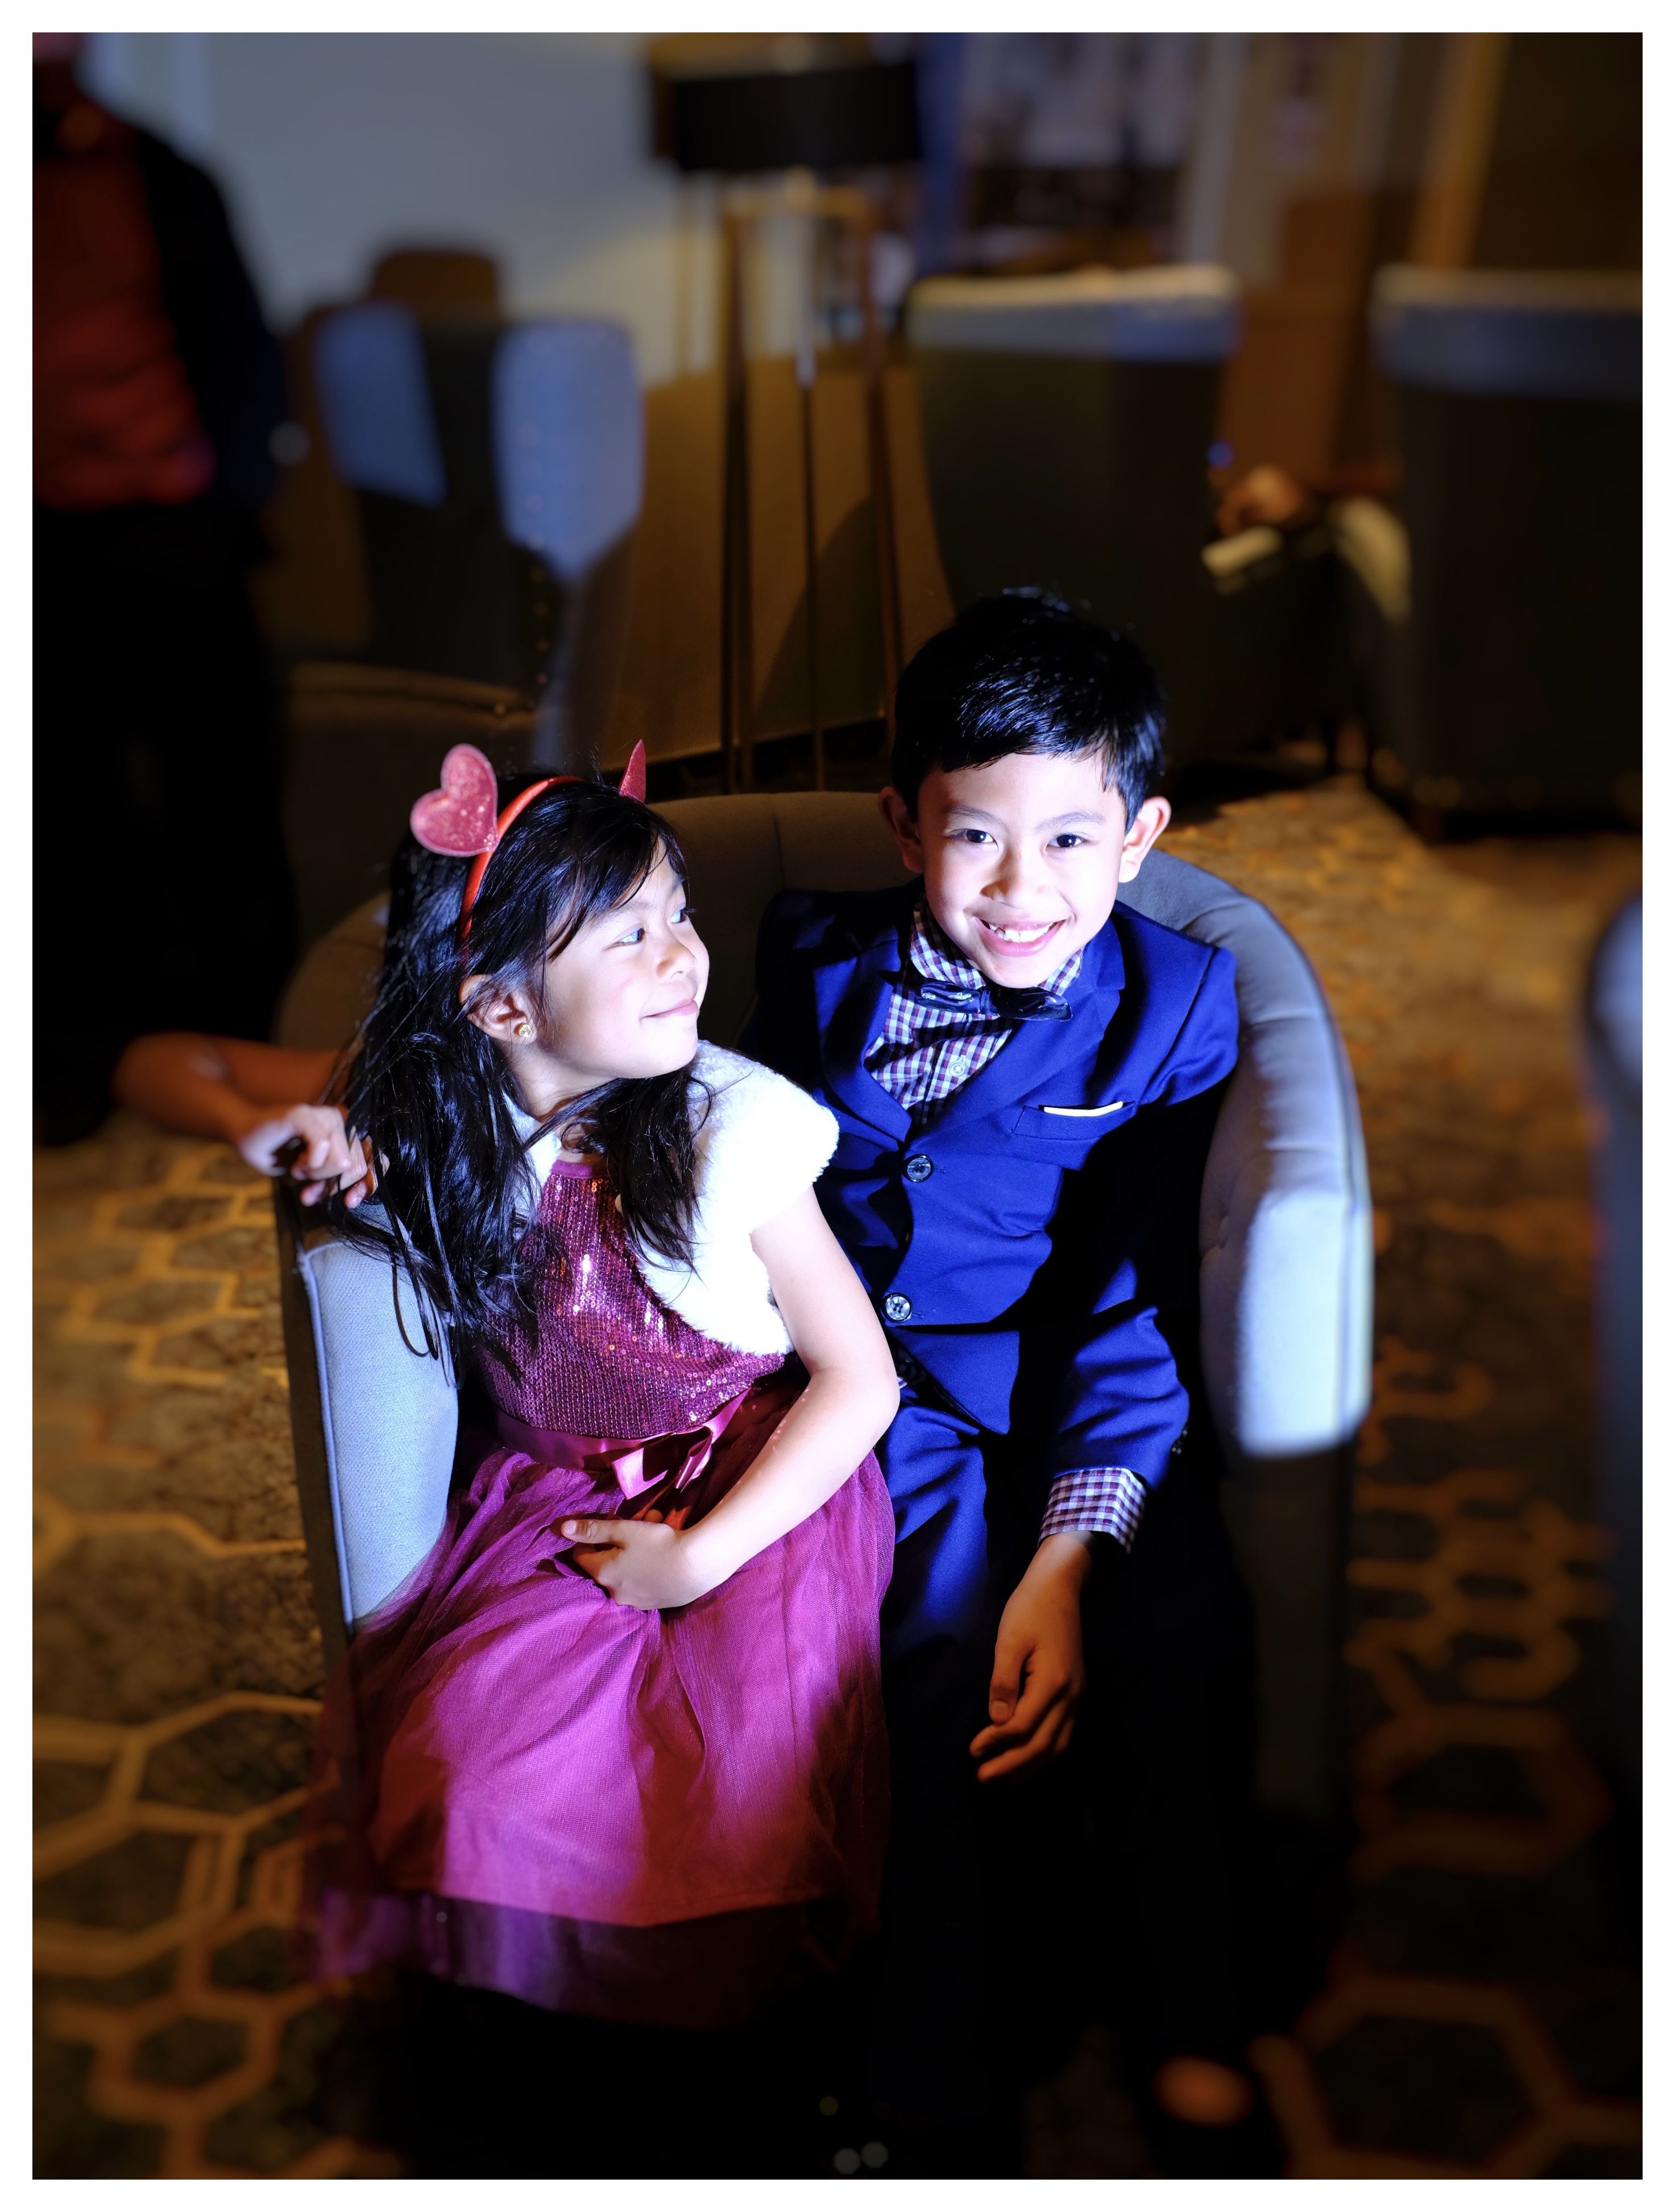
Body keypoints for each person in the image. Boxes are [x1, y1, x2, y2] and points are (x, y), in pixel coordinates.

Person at [118, 747, 900, 2036]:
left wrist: (700, 1558)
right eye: (629, 934)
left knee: (741, 1782)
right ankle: (522, 2043)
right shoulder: (434, 1107)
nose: (684, 954)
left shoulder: (732, 1129)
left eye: (678, 913)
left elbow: (859, 1379)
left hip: (747, 1484)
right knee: (475, 1764)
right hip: (545, 1491)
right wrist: (269, 1130)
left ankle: (753, 2054)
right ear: (502, 1009)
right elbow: (161, 1060)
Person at [737, 593, 1263, 2170]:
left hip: (1074, 1398)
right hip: (868, 1395)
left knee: (1178, 1621)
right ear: (905, 825)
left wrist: (1071, 1551)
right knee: (928, 1655)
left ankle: (1193, 2001)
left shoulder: (1174, 1006)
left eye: (1070, 841)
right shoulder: (807, 953)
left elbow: (1136, 1303)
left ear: (1140, 836)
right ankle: (931, 2076)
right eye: (977, 837)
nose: (1022, 889)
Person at [34, 34, 295, 1146]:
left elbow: (242, 356)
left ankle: (249, 1038)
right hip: (43, 548)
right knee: (67, 816)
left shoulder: (159, 172)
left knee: (223, 801)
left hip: (178, 536)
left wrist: (225, 505)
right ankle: (86, 1063)